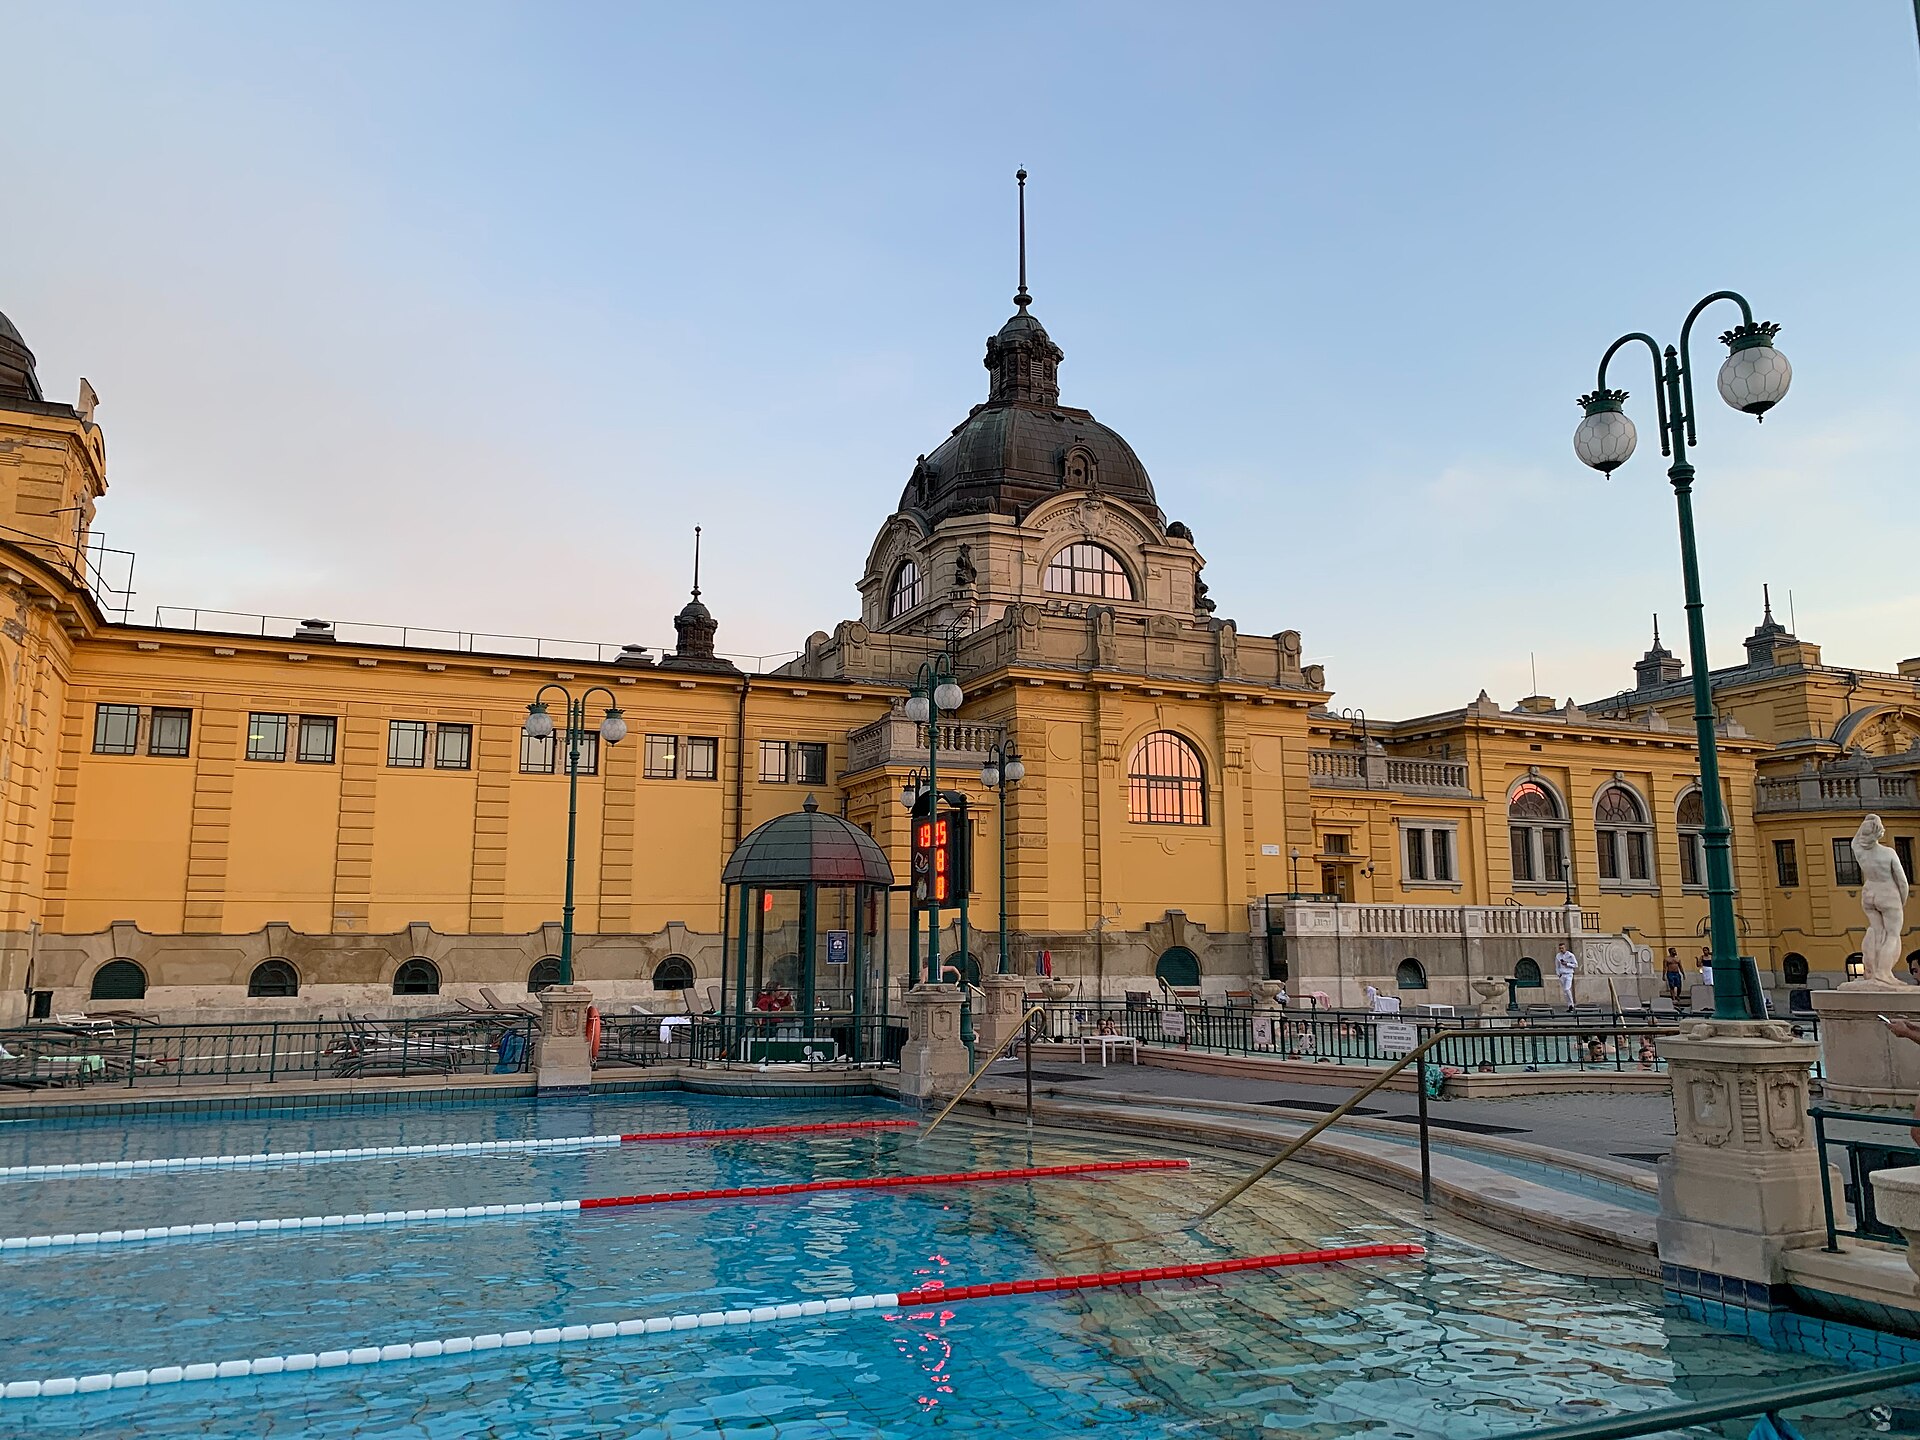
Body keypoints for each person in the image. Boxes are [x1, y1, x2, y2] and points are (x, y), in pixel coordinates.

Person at [1553, 943, 1579, 1007]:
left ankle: (1571, 1004)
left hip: (1569, 974)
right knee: (1565, 991)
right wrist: (1558, 974)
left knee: (1567, 989)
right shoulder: (1558, 956)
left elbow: (1576, 965)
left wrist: (1567, 964)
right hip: (1562, 975)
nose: (1561, 950)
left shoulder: (1570, 955)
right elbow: (1557, 966)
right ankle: (1569, 1004)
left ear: (1565, 948)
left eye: (1562, 948)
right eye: (1560, 948)